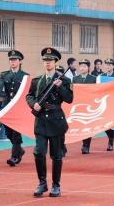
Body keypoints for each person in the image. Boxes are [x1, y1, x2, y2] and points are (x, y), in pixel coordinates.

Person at [27, 47, 74, 197]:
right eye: (45, 60)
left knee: (56, 155)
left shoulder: (64, 81)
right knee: (39, 152)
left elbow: (69, 99)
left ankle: (56, 185)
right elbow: (29, 96)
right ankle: (42, 183)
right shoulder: (37, 81)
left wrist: (60, 88)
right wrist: (33, 104)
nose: (48, 62)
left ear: (55, 62)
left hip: (56, 121)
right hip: (41, 121)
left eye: (50, 60)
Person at [74, 59, 103, 154]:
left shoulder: (93, 79)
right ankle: (84, 143)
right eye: (81, 66)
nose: (82, 68)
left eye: (84, 66)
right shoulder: (75, 79)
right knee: (81, 126)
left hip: (89, 106)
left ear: (88, 68)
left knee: (87, 126)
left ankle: (86, 145)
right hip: (79, 106)